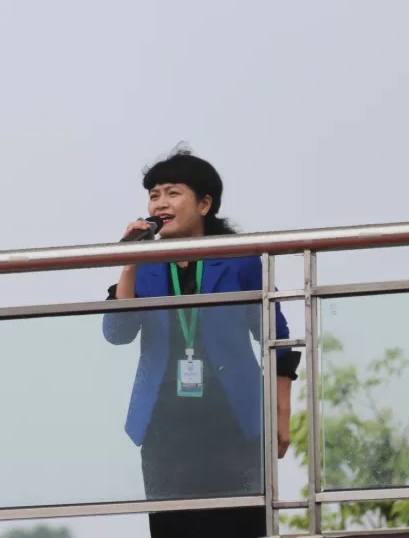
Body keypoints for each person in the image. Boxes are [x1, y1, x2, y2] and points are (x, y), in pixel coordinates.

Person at [102, 149, 300, 538]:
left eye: (172, 193)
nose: (160, 203)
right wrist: (128, 261)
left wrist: (281, 410)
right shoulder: (145, 265)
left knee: (241, 527)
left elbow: (276, 334)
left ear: (204, 204)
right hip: (164, 426)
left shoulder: (239, 258)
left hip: (234, 420)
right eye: (154, 195)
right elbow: (117, 333)